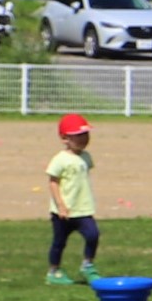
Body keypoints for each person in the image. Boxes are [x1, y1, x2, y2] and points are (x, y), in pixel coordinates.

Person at [44, 113, 99, 283]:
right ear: (64, 138)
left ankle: (87, 265)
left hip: (82, 208)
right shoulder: (60, 159)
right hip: (63, 211)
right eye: (78, 136)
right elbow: (53, 182)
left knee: (93, 235)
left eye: (85, 135)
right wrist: (60, 205)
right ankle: (54, 272)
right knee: (59, 242)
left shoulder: (85, 157)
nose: (84, 139)